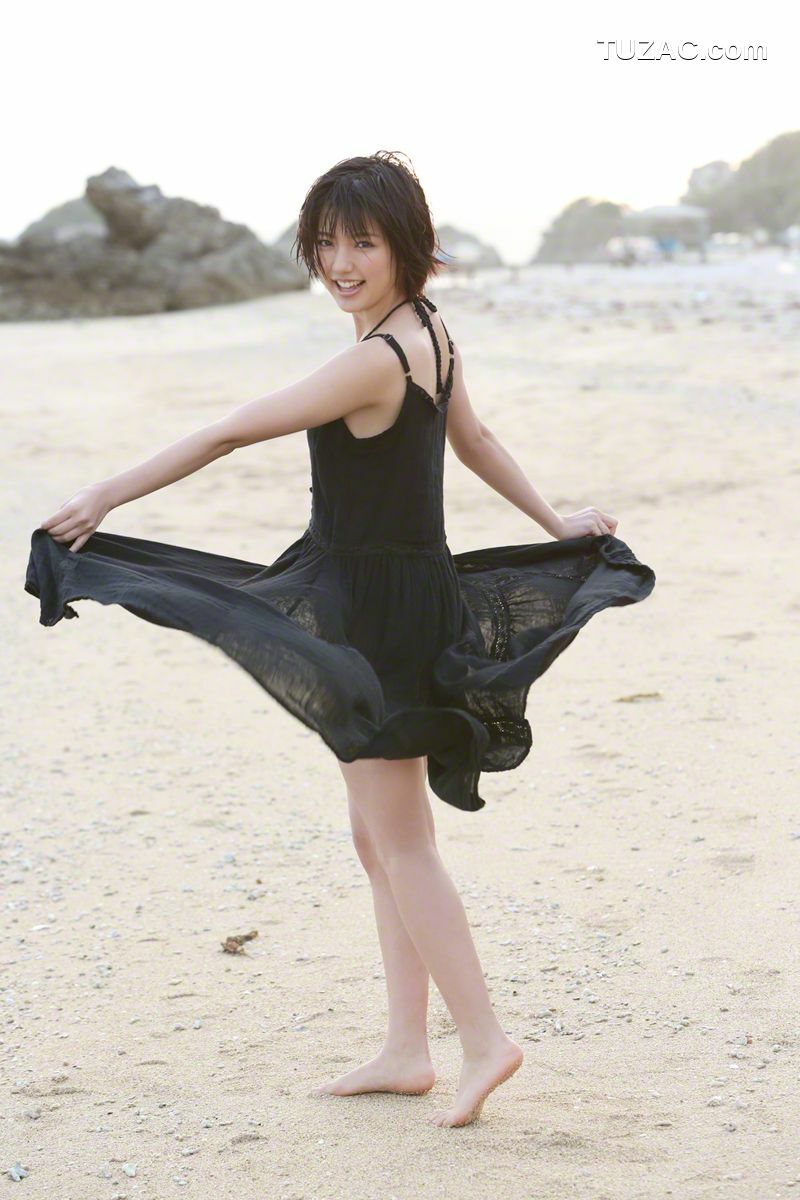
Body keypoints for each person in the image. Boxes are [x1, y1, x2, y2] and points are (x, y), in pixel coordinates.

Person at [25, 150, 656, 1128]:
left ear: (406, 244)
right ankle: (407, 1049)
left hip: (379, 610)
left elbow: (231, 432)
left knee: (400, 842)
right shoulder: (428, 334)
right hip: (401, 594)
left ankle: (483, 1040)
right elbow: (476, 441)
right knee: (379, 835)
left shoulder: (373, 361)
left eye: (361, 242)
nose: (339, 263)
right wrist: (554, 518)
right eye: (325, 243)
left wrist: (106, 494)